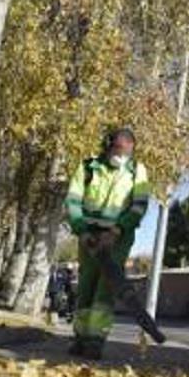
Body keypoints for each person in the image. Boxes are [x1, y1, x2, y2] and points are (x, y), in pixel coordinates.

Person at [63, 127, 151, 359]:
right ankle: (80, 337)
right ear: (108, 145)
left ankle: (95, 340)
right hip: (89, 235)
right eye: (118, 150)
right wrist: (81, 230)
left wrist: (116, 231)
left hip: (118, 238)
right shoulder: (87, 167)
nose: (122, 156)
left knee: (106, 287)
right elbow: (72, 201)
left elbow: (139, 206)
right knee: (86, 285)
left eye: (128, 152)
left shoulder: (137, 171)